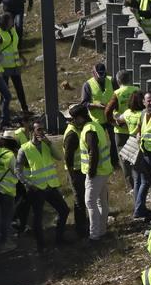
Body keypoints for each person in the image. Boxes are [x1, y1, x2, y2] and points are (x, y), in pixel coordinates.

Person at [14, 122, 69, 250]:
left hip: (50, 186)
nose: (42, 132)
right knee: (37, 218)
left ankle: (59, 238)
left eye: (43, 129)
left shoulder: (46, 144)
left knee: (64, 210)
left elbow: (59, 157)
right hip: (36, 189)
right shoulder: (24, 149)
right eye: (39, 129)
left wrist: (49, 143)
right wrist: (28, 184)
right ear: (32, 131)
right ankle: (40, 246)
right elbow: (18, 170)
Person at [72, 102, 114, 241]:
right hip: (103, 170)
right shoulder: (95, 125)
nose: (73, 121)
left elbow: (93, 152)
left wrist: (91, 171)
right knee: (101, 202)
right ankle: (102, 230)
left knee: (90, 202)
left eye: (75, 118)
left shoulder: (89, 130)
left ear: (81, 117)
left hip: (96, 172)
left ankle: (94, 234)